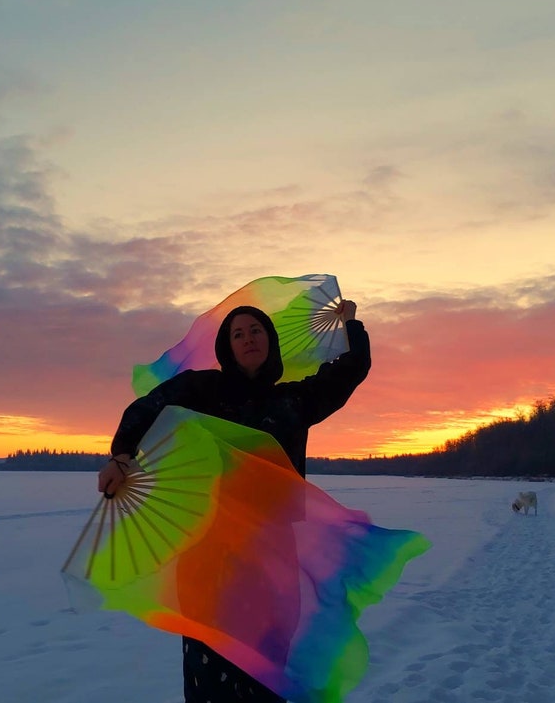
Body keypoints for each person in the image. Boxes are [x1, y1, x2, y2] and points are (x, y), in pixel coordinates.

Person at [97, 299, 371, 703]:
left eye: (256, 330)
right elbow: (147, 409)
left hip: (273, 551)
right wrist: (122, 455)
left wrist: (350, 322)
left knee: (268, 664)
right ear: (227, 346)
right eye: (238, 333)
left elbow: (352, 369)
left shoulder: (294, 401)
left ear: (270, 341)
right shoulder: (201, 390)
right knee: (212, 669)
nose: (248, 338)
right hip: (210, 548)